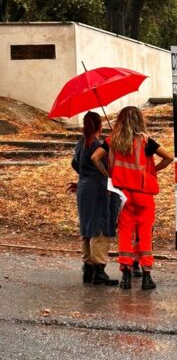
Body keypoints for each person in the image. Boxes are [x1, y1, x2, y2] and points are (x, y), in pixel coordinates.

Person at [91, 106, 173, 290]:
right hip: (144, 195)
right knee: (144, 234)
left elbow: (95, 158)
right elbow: (169, 157)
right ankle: (146, 276)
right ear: (139, 121)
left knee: (125, 234)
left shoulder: (113, 141)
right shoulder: (146, 142)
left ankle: (126, 275)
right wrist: (152, 171)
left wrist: (109, 175)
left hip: (123, 196)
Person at [67, 111, 119, 286]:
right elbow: (109, 167)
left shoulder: (81, 144)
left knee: (86, 227)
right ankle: (99, 270)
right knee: (100, 228)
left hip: (83, 189)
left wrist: (84, 177)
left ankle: (87, 267)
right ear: (99, 126)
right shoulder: (99, 146)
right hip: (99, 189)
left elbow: (75, 164)